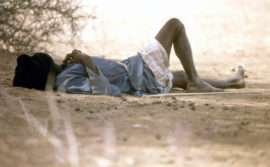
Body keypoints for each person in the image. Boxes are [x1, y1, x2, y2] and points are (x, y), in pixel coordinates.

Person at [13, 18, 245, 96]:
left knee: (180, 76)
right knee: (175, 24)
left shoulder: (63, 75)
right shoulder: (64, 83)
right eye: (36, 57)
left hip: (137, 72)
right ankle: (196, 82)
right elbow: (106, 91)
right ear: (39, 67)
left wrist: (76, 61)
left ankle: (232, 82)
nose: (39, 55)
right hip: (139, 77)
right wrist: (86, 60)